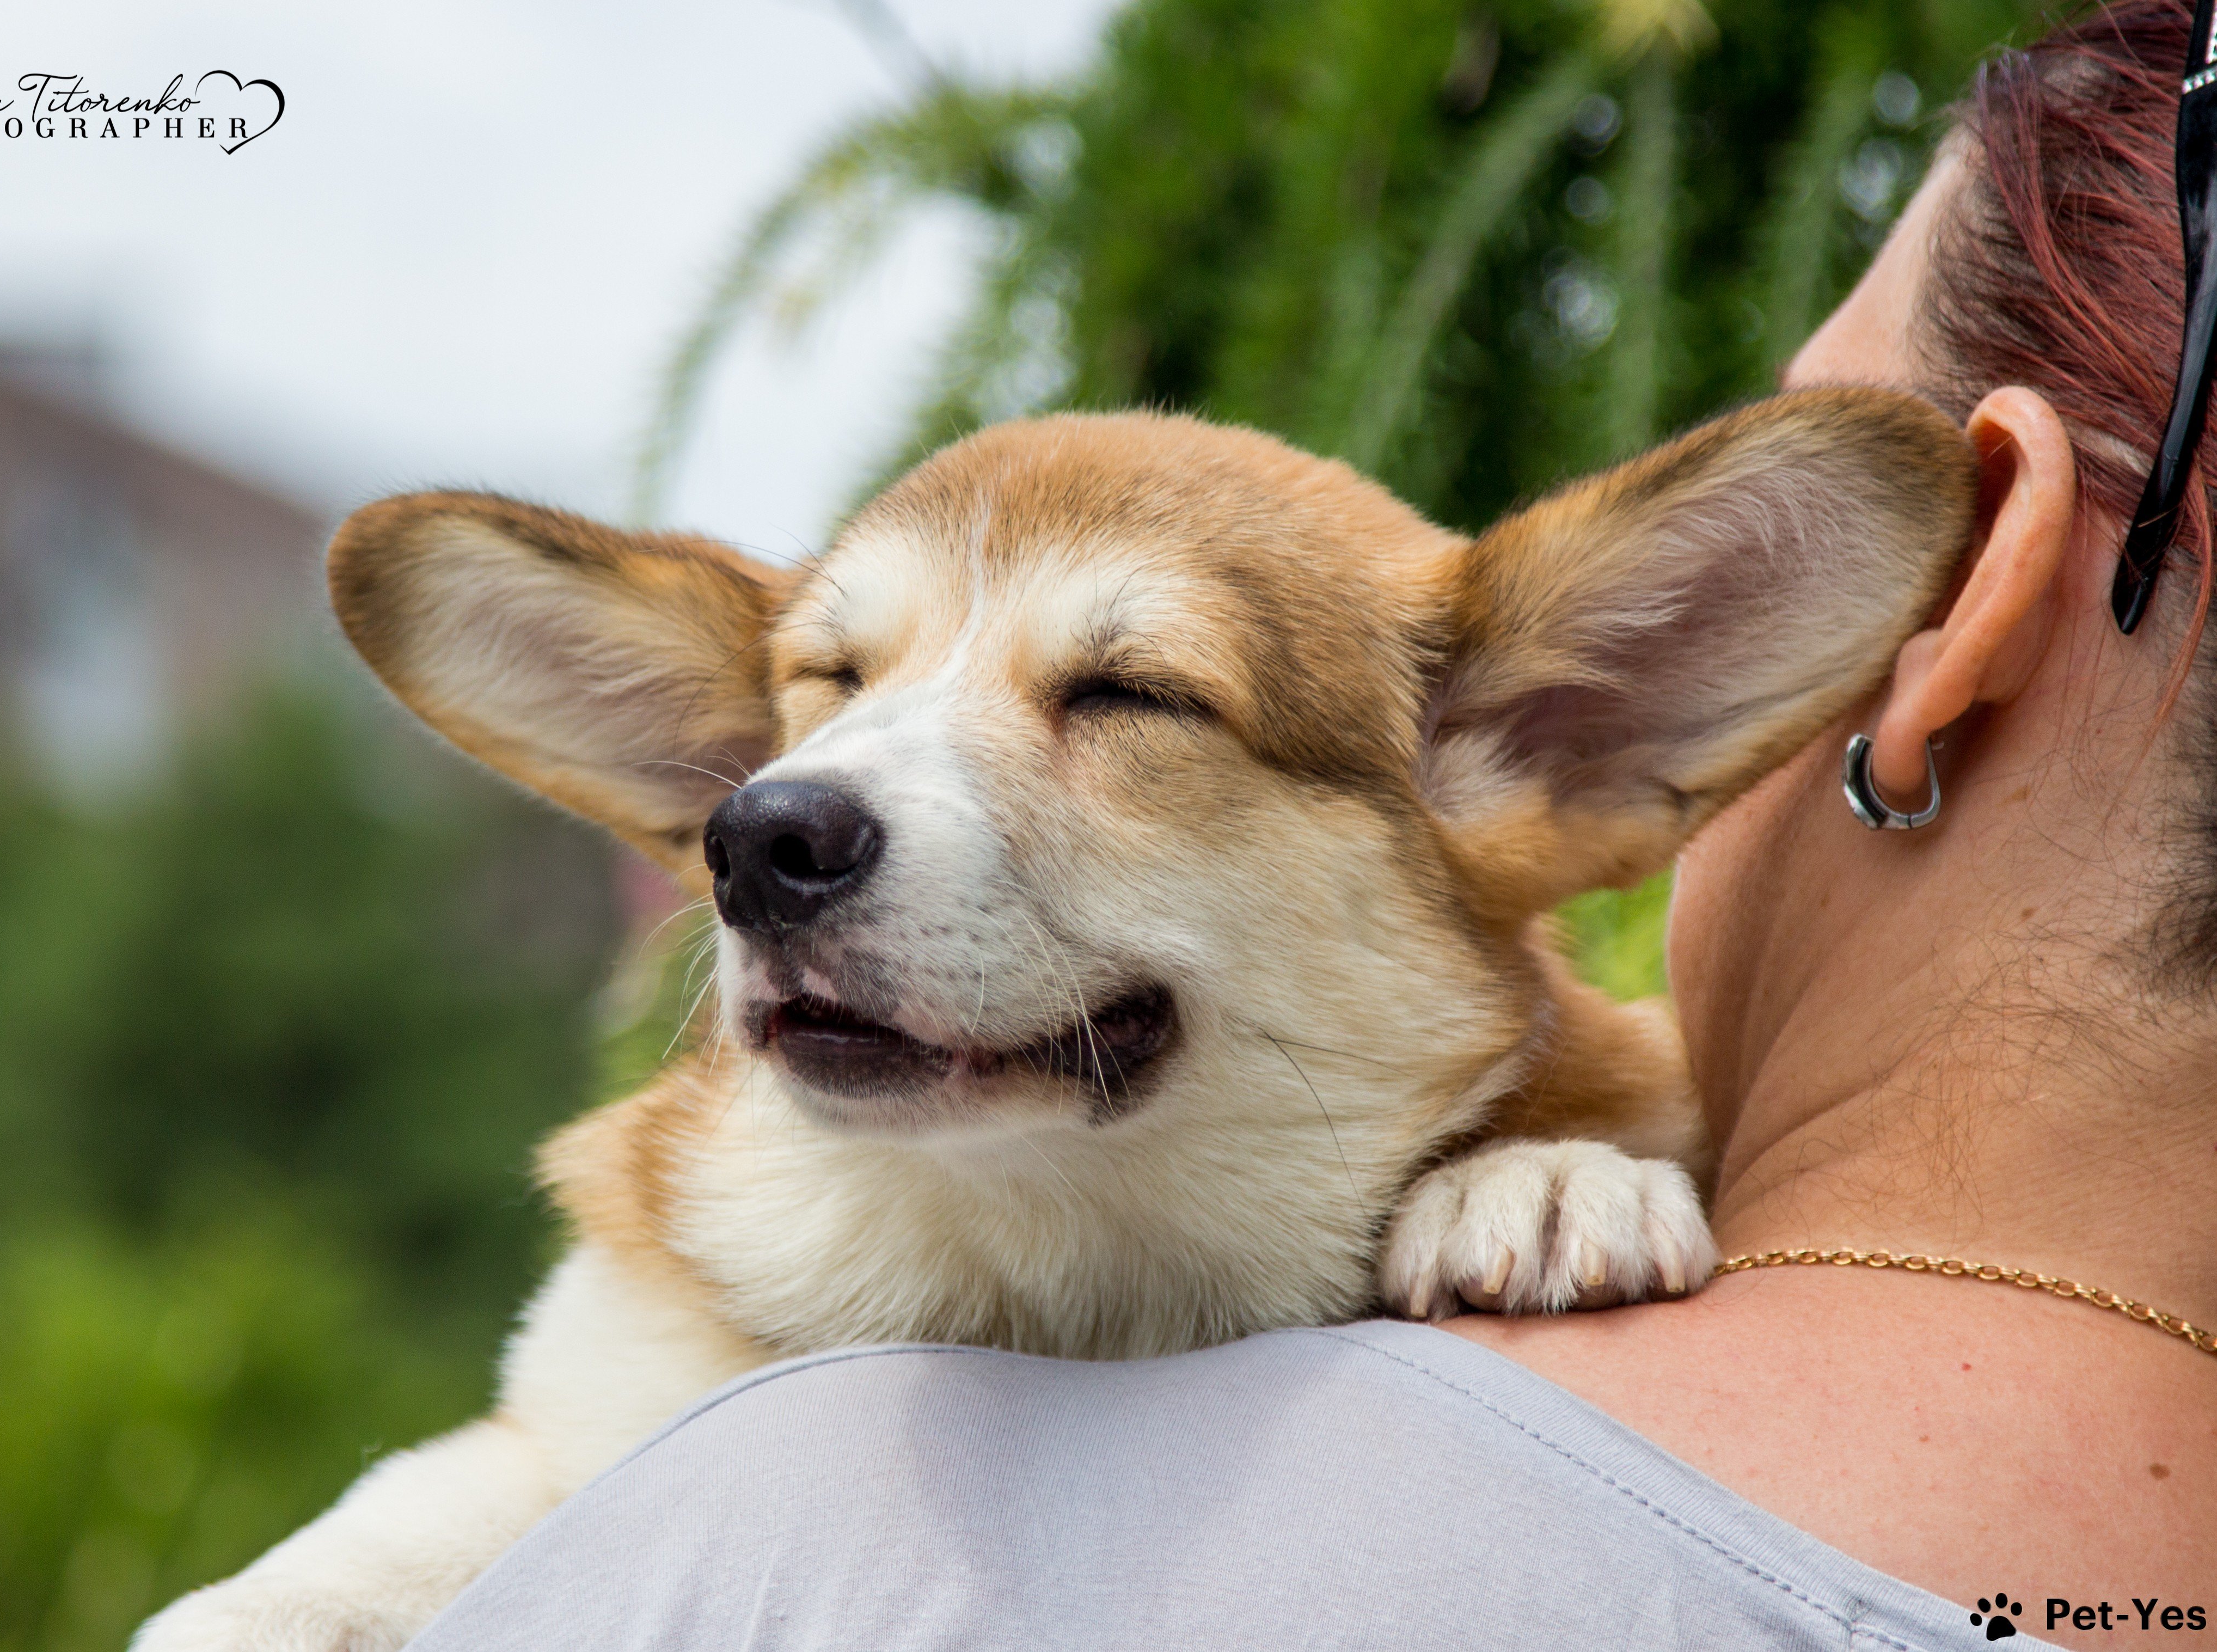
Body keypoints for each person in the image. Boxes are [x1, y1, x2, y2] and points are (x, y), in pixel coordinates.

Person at [409, 5, 2216, 1645]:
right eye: (830, 691)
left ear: (1961, 602)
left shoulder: (767, 1571)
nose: (781, 817)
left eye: (1119, 694)